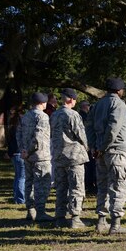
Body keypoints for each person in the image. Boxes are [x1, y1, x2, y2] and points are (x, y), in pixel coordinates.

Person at [92, 77, 126, 234]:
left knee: (102, 186)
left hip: (100, 152)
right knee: (119, 186)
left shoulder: (98, 104)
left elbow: (89, 125)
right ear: (119, 90)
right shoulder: (119, 104)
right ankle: (115, 224)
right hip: (116, 151)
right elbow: (113, 128)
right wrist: (102, 147)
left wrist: (95, 146)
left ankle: (101, 221)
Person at [50, 88, 89, 228]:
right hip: (74, 156)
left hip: (59, 156)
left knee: (61, 188)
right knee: (76, 187)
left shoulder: (54, 115)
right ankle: (75, 218)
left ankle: (59, 217)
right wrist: (87, 147)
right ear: (71, 99)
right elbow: (81, 134)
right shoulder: (73, 115)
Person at [16, 92, 54, 221]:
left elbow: (18, 133)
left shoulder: (25, 116)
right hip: (40, 156)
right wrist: (29, 151)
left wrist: (23, 150)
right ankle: (41, 212)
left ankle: (30, 211)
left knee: (29, 183)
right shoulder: (42, 117)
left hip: (27, 157)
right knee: (42, 184)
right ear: (42, 103)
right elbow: (38, 138)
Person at [7, 105, 25, 204]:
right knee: (22, 177)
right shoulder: (21, 124)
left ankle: (16, 196)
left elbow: (10, 141)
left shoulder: (11, 125)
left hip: (14, 154)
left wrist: (9, 153)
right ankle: (21, 199)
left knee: (18, 176)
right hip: (19, 152)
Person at [79, 100, 97, 194]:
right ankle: (90, 185)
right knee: (90, 166)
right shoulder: (83, 116)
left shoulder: (85, 116)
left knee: (90, 166)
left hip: (88, 144)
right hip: (88, 144)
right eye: (88, 105)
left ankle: (89, 185)